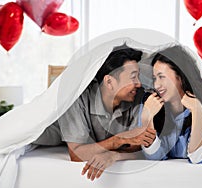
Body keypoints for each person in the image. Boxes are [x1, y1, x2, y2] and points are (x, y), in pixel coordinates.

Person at [34, 44, 156, 180]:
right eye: (133, 77)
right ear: (109, 82)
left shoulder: (138, 98)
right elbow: (77, 155)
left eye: (138, 76)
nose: (139, 83)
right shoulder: (76, 97)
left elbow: (139, 149)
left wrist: (114, 155)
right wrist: (119, 139)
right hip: (43, 132)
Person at [140, 45, 202, 164]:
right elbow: (154, 157)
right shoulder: (151, 105)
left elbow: (199, 158)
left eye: (162, 77)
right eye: (155, 78)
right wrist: (147, 120)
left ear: (180, 77)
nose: (157, 85)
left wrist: (197, 111)